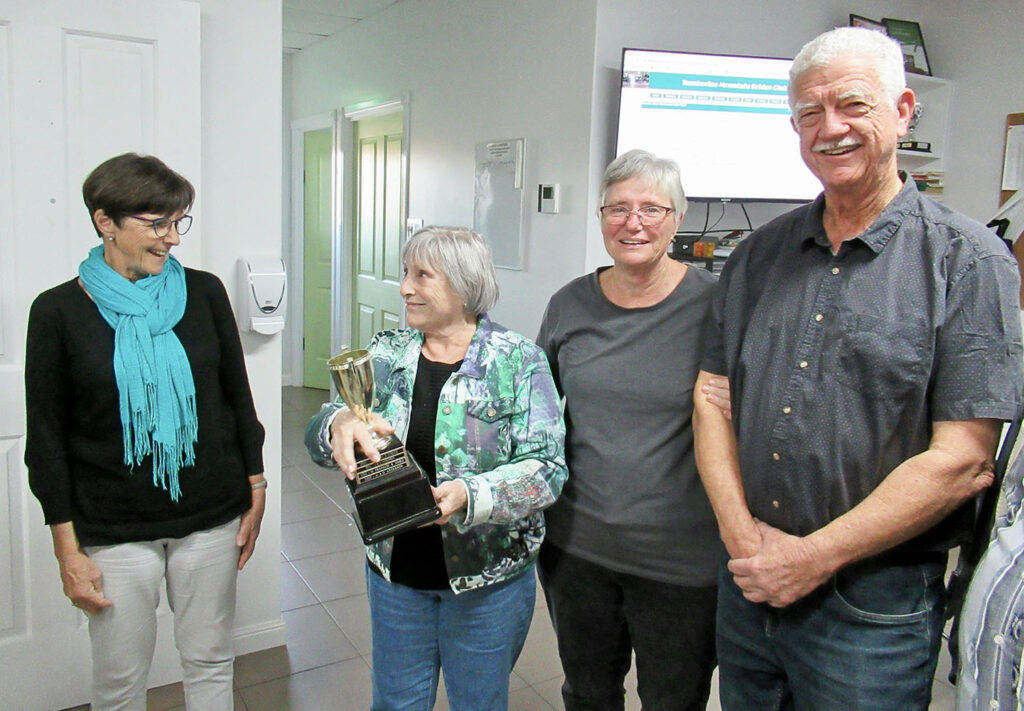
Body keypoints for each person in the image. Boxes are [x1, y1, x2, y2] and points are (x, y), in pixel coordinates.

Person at [693, 26, 1023, 710]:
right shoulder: (757, 256)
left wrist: (811, 557)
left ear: (903, 110)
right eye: (809, 114)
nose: (829, 128)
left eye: (851, 105)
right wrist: (741, 535)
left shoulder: (968, 263)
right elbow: (712, 397)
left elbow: (963, 458)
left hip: (872, 605)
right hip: (750, 581)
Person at [24, 153, 267, 710]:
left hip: (210, 514)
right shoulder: (57, 312)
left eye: (178, 221)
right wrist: (67, 547)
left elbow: (237, 397)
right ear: (104, 221)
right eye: (156, 223)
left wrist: (256, 487)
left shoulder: (203, 293)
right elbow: (47, 439)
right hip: (113, 526)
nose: (172, 238)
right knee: (120, 682)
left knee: (210, 663)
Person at [304, 226, 567, 711]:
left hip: (486, 580)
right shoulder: (385, 353)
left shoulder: (518, 361)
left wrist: (471, 494)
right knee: (396, 703)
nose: (404, 286)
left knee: (477, 702)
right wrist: (337, 422)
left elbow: (546, 470)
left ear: (465, 286)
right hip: (395, 575)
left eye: (422, 275)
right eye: (406, 272)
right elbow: (320, 439)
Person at [536, 149, 721, 710]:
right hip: (578, 550)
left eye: (650, 209)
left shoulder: (717, 305)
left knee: (673, 699)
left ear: (678, 218)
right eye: (617, 209)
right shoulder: (569, 304)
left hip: (681, 561)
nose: (632, 223)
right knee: (588, 693)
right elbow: (534, 415)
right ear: (600, 218)